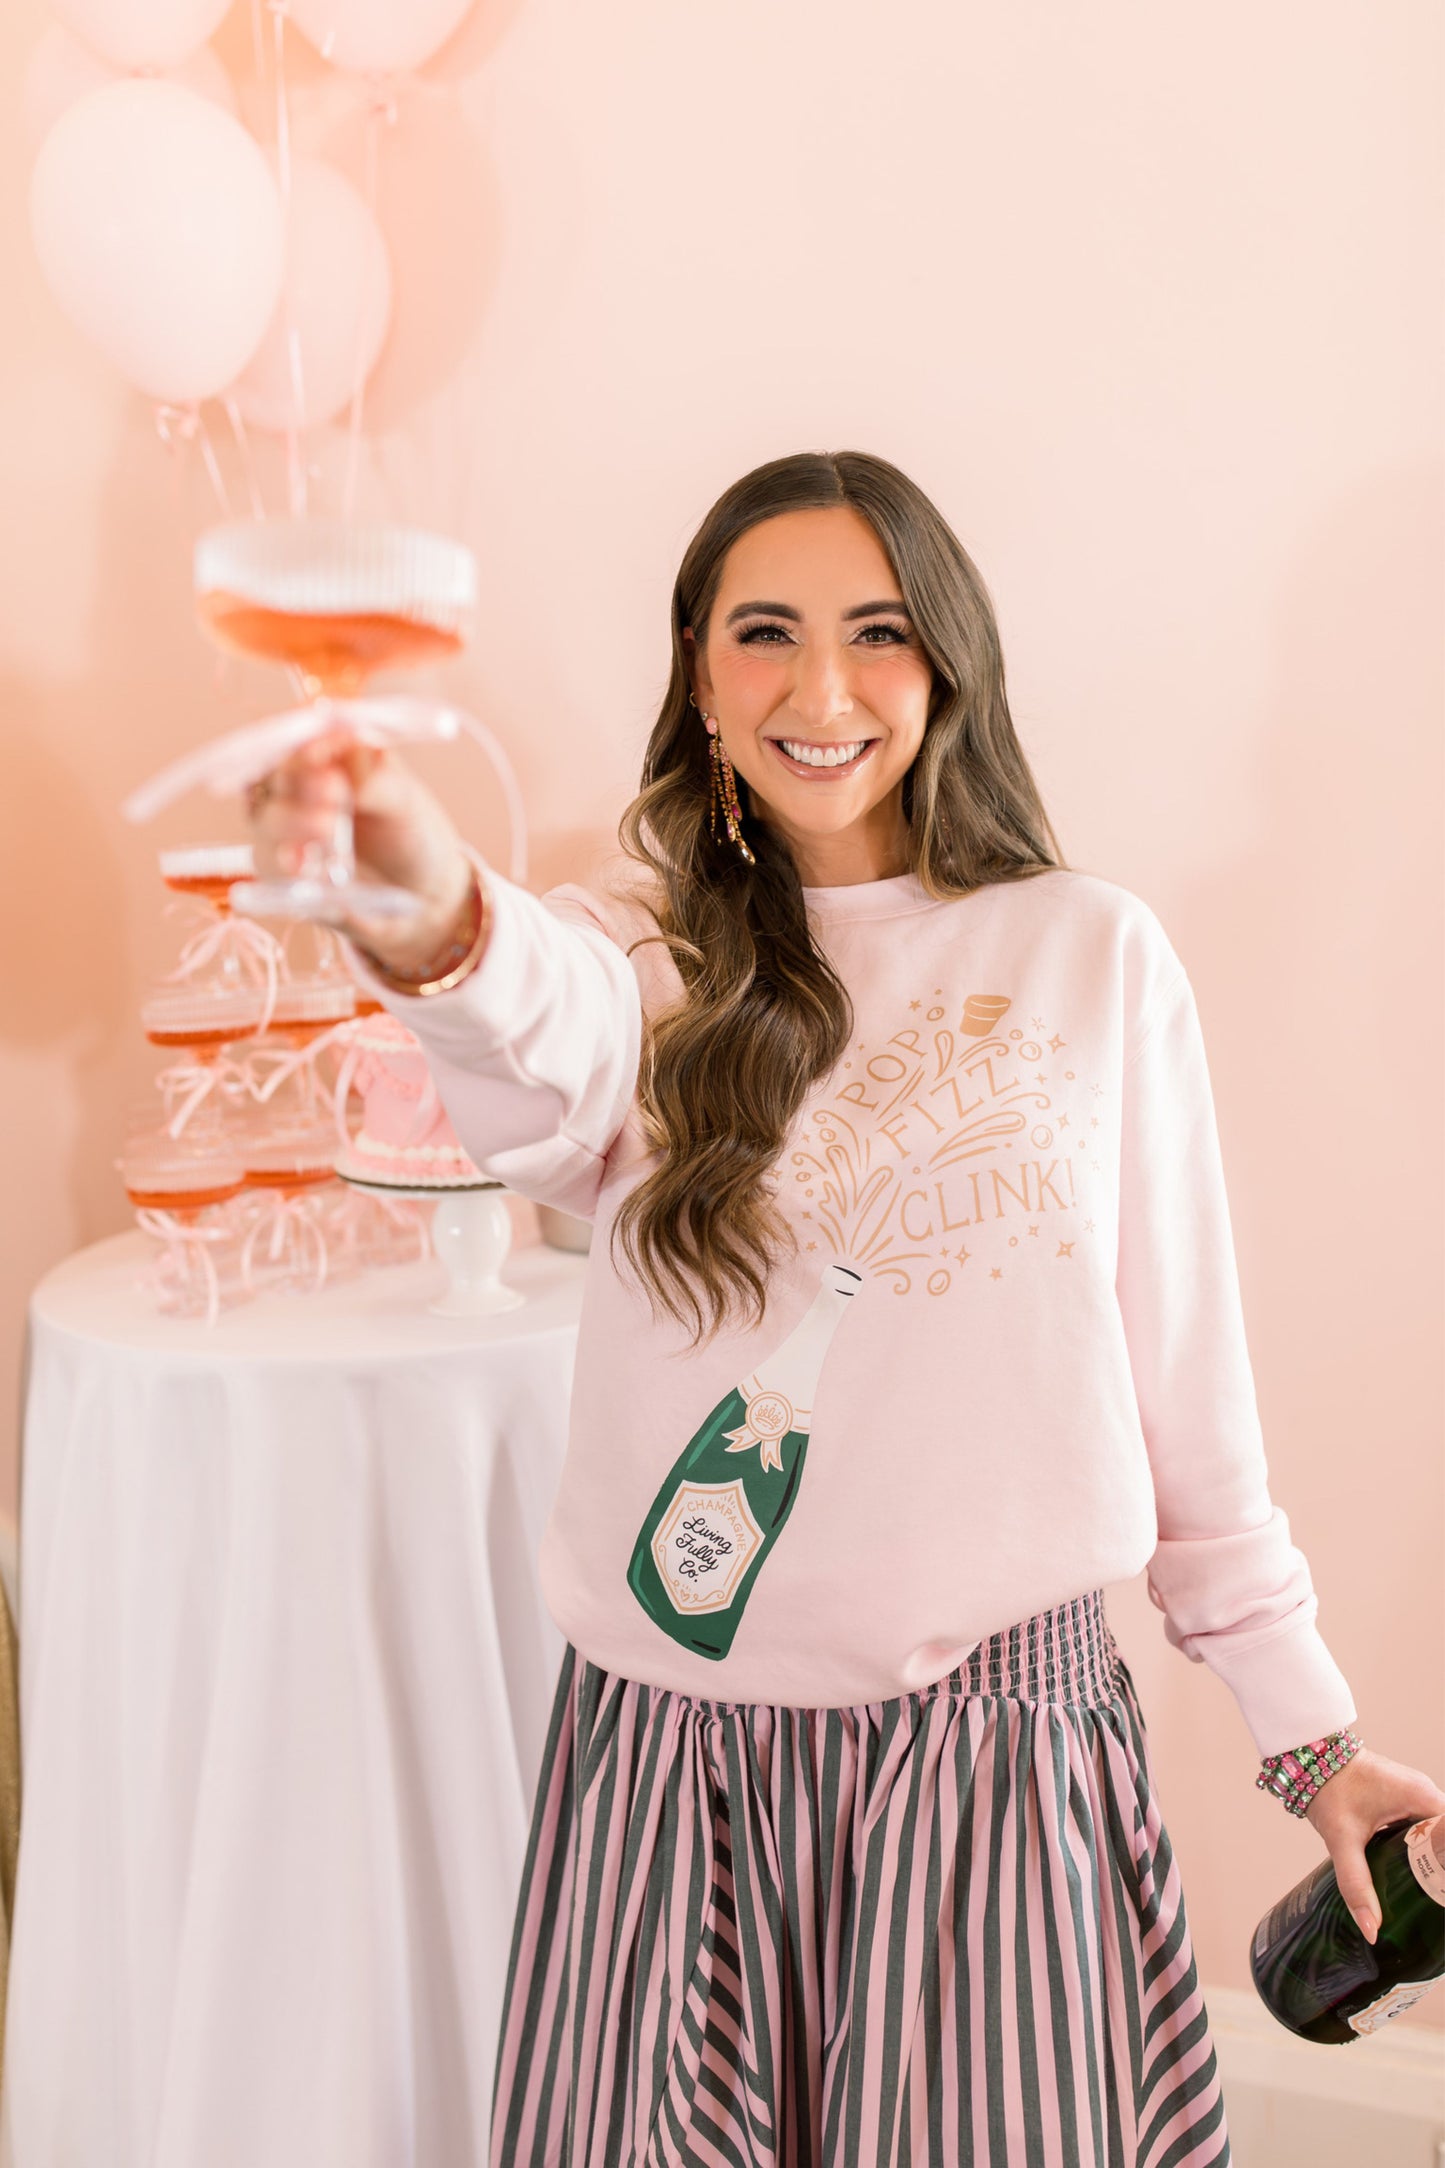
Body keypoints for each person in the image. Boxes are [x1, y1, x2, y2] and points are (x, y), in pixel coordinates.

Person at [248, 450, 1445, 2167]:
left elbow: (1194, 1425)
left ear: (946, 663)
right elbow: (529, 1036)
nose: (822, 688)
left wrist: (1312, 1747)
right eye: (764, 635)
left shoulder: (1085, 954)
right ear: (699, 681)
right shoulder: (638, 961)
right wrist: (428, 904)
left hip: (1000, 1776)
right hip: (674, 1778)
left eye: (878, 632)